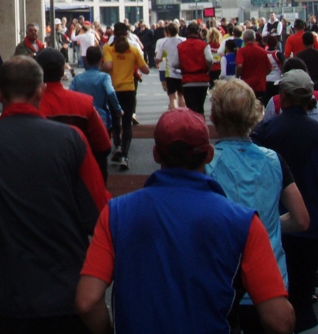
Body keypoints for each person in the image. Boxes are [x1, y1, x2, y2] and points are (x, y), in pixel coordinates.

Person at [75, 109, 295, 334]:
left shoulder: (116, 213)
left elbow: (88, 301)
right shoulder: (243, 222)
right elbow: (279, 319)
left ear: (156, 155)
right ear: (209, 154)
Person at [0, 57, 108, 334]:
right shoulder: (72, 139)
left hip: (4, 299)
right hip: (66, 296)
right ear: (41, 90)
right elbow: (98, 213)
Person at [252, 70, 318, 334]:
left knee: (268, 296)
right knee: (302, 299)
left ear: (283, 96)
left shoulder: (265, 130)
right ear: (310, 97)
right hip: (309, 223)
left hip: (271, 224)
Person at [206, 79, 309, 334]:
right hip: (270, 280)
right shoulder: (273, 160)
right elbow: (301, 220)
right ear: (254, 116)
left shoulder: (206, 162)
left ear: (214, 116)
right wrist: (265, 226)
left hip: (221, 281)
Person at [35, 49, 113, 183]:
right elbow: (103, 146)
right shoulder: (84, 103)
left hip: (39, 179)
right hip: (78, 178)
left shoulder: (30, 106)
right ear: (61, 72)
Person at [101, 23, 149, 170]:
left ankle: (117, 145)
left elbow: (108, 66)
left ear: (113, 34)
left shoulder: (108, 48)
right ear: (127, 34)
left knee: (115, 119)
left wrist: (101, 69)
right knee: (127, 123)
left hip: (114, 89)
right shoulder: (133, 50)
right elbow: (145, 70)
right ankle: (124, 156)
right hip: (129, 89)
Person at [70, 45, 122, 168]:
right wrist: (118, 109)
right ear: (101, 60)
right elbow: (110, 92)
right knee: (101, 154)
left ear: (86, 60)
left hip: (82, 118)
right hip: (101, 118)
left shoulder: (78, 79)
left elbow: (70, 94)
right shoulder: (104, 77)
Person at [176, 22, 212, 116]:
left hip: (188, 80)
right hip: (202, 79)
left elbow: (175, 63)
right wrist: (207, 68)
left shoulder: (181, 46)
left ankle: (192, 128)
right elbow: (209, 59)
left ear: (187, 32)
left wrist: (183, 65)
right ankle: (202, 128)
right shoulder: (204, 45)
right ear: (199, 32)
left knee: (191, 108)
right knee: (200, 107)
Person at [235, 29, 271, 104]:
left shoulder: (241, 51)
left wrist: (237, 76)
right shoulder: (262, 51)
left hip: (246, 85)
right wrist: (262, 75)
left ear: (244, 39)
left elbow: (239, 65)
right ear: (254, 39)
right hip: (260, 85)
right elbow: (269, 68)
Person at [156, 22, 185, 110]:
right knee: (181, 95)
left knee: (172, 97)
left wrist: (163, 58)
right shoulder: (184, 41)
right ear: (178, 30)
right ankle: (183, 117)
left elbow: (158, 59)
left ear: (167, 31)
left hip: (170, 73)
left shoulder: (164, 43)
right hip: (182, 72)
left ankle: (174, 117)